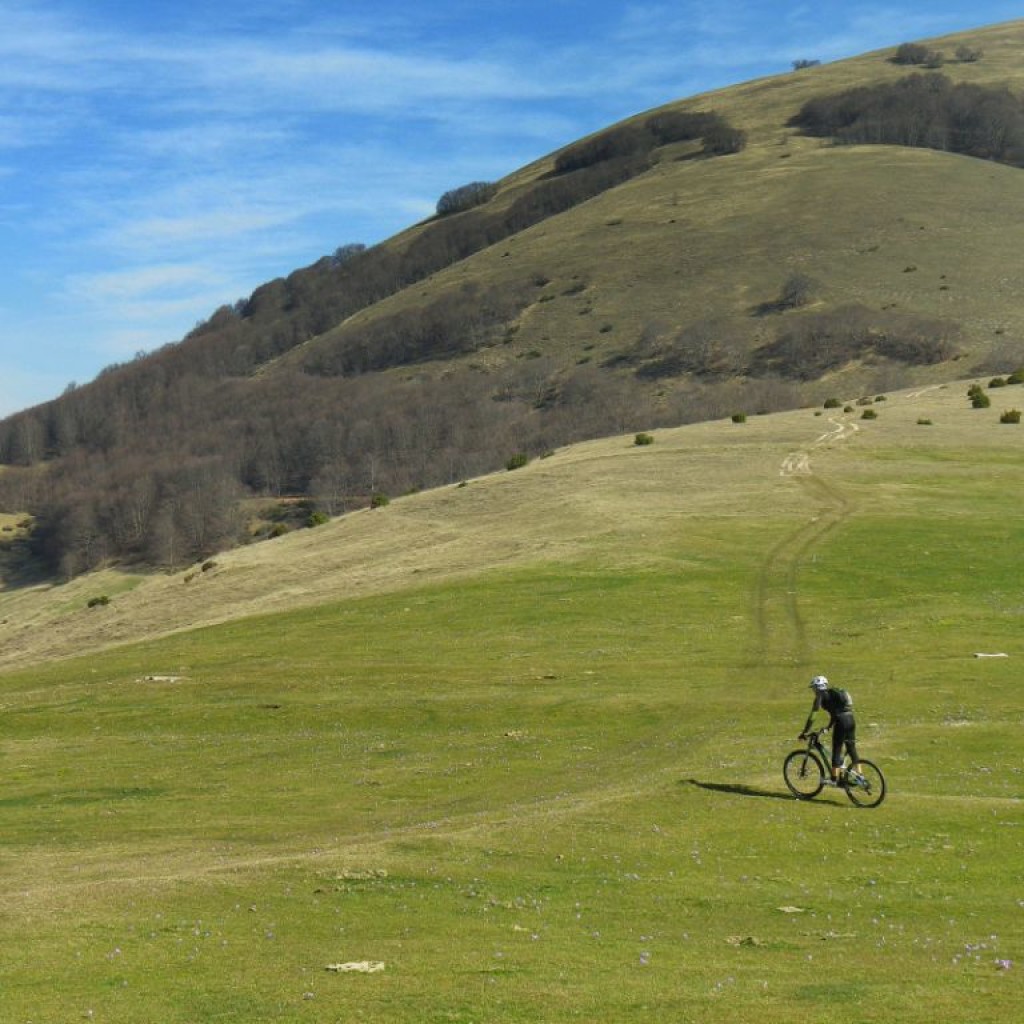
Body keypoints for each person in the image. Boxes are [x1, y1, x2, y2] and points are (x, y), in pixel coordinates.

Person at [799, 675, 862, 786]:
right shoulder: (832, 695)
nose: (813, 691)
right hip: (850, 719)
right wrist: (828, 727)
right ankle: (860, 776)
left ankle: (834, 779)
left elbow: (812, 717)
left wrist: (804, 732)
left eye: (813, 688)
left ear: (816, 688)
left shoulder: (819, 698)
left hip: (841, 722)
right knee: (851, 748)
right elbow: (835, 713)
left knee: (836, 750)